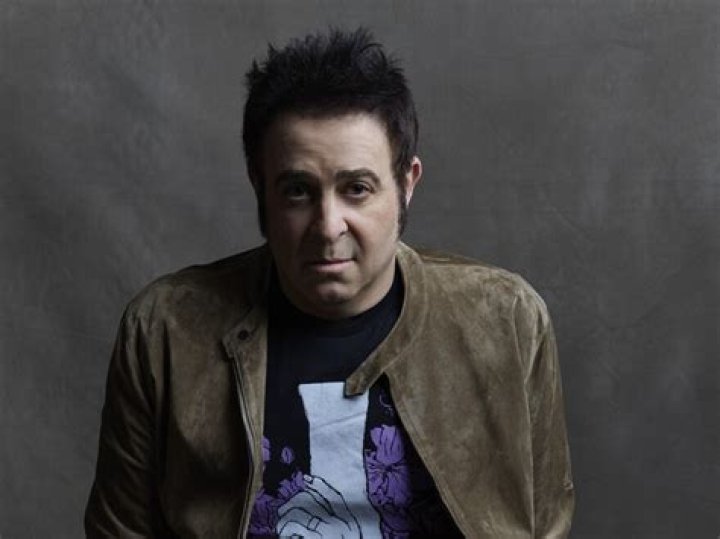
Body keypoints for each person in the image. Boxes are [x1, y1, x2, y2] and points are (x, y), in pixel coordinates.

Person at [85, 28, 574, 538]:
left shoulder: (506, 320)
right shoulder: (165, 332)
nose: (327, 226)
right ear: (259, 186)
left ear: (406, 184)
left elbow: (546, 524)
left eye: (356, 189)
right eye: (298, 191)